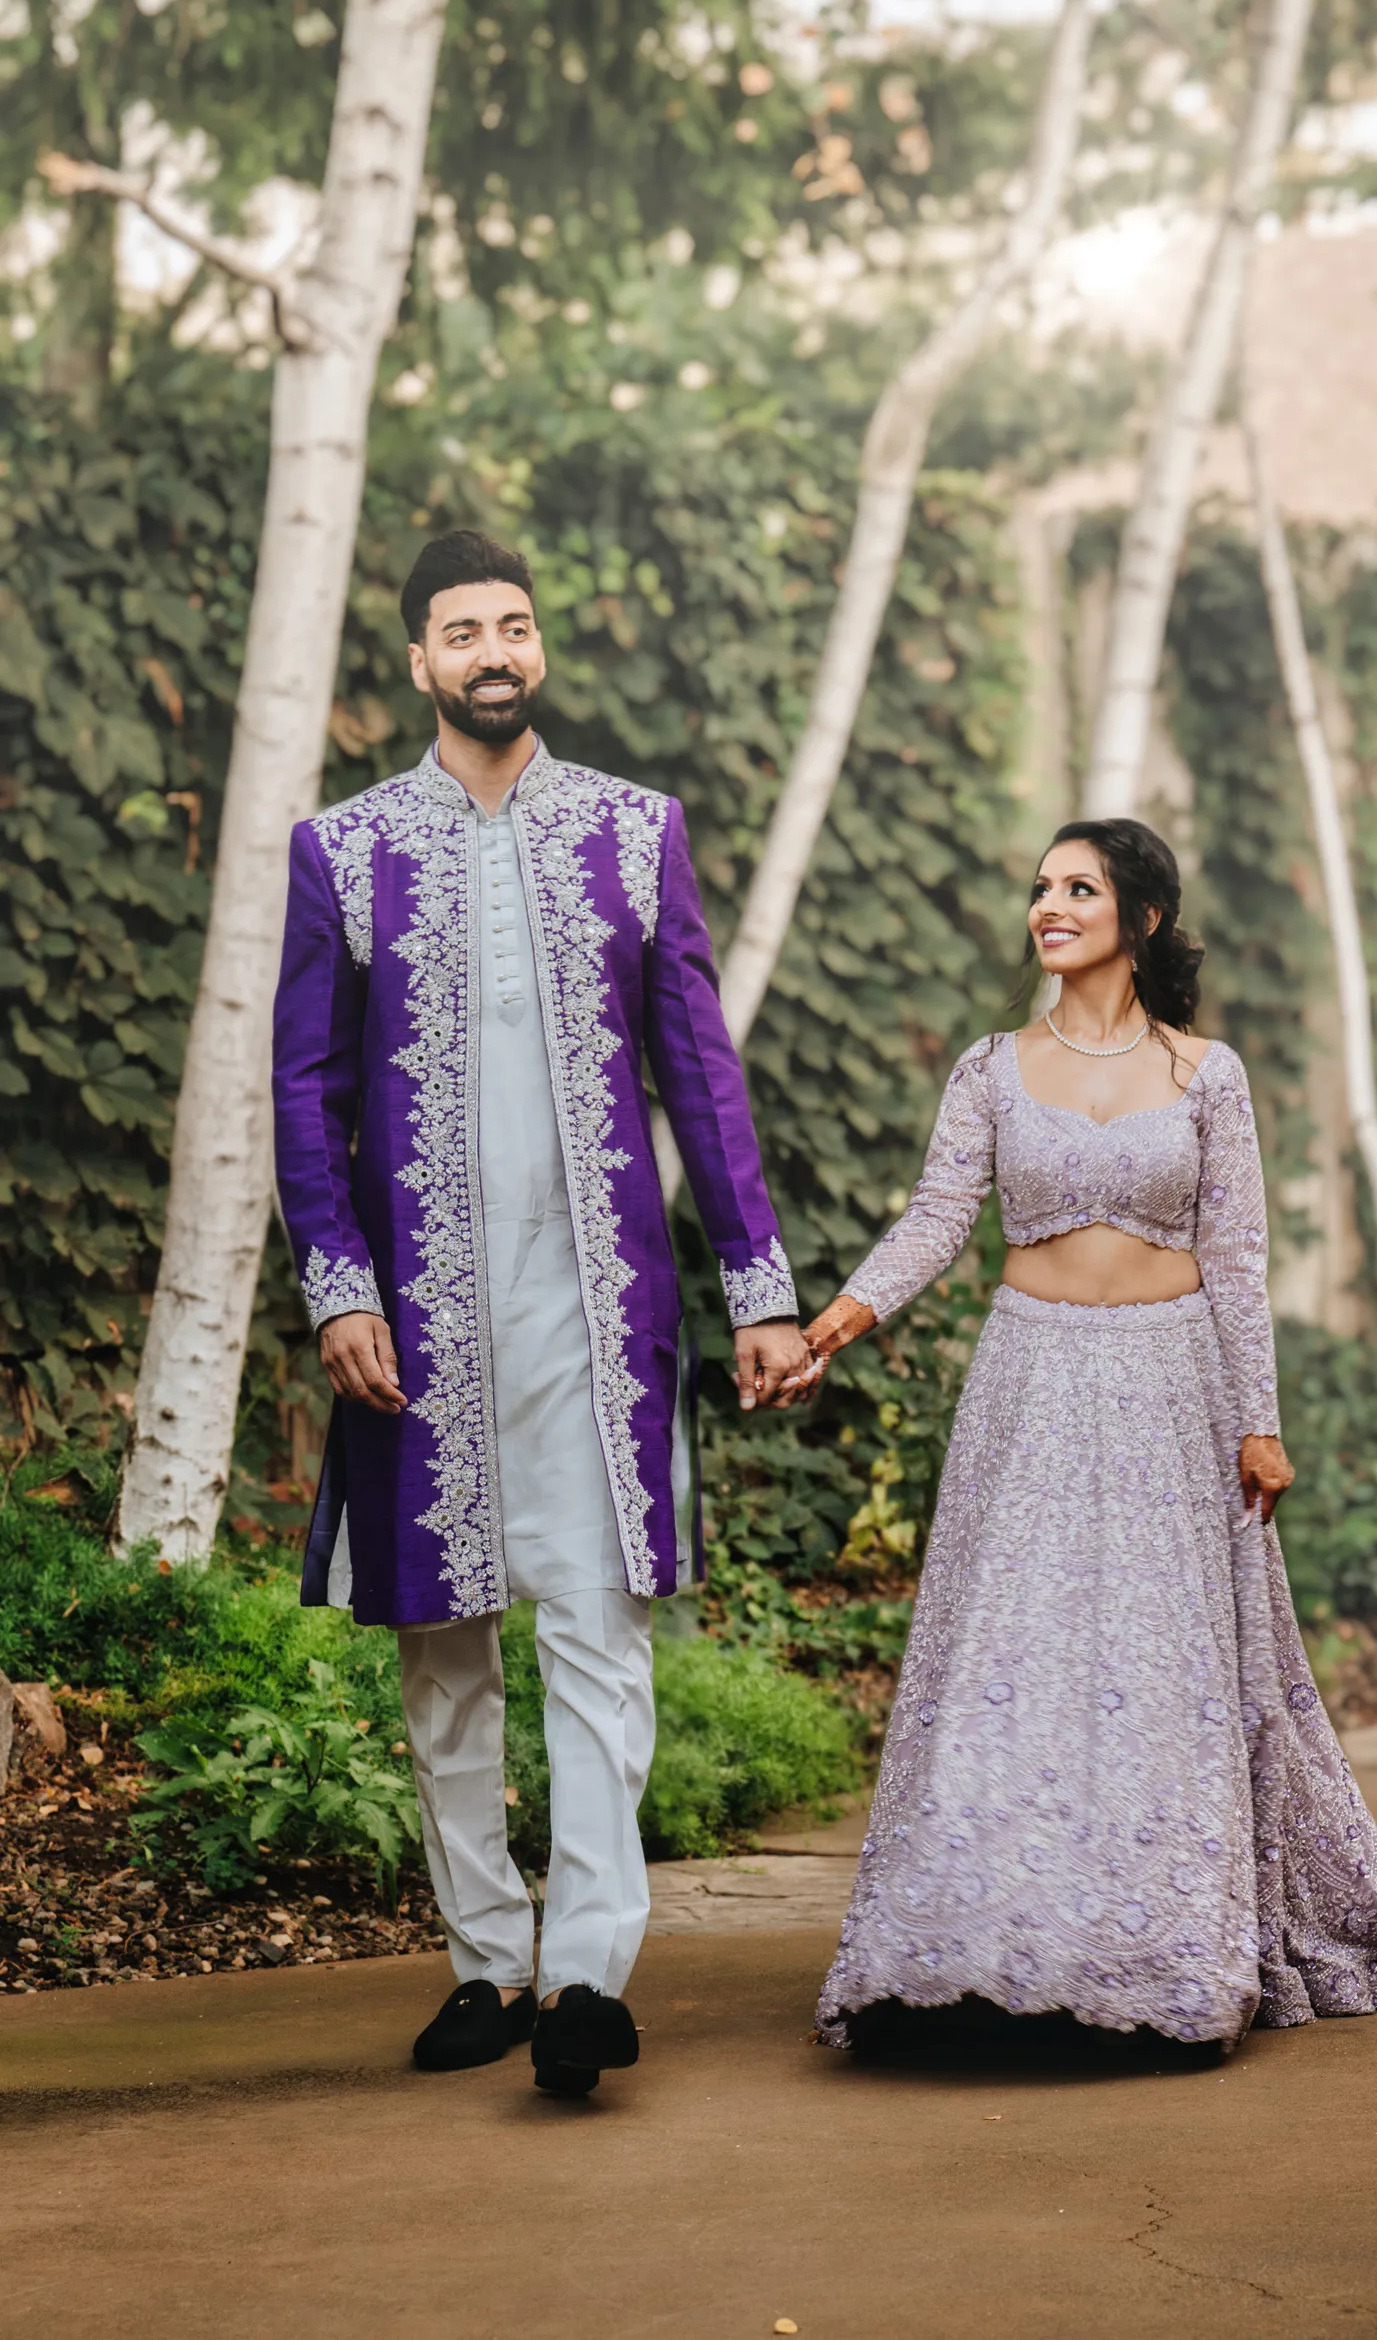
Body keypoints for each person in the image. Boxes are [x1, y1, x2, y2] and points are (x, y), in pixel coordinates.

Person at [272, 529, 810, 2095]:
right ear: (420, 660)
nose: (494, 651)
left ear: (539, 647)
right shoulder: (344, 849)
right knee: (442, 1644)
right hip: (418, 1311)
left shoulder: (635, 832)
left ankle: (583, 1972)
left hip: (596, 1298)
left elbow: (700, 1072)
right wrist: (337, 1283)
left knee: (595, 1620)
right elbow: (304, 1089)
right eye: (464, 631)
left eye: (514, 625)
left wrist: (758, 1286)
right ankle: (485, 1960)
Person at [798, 819, 1377, 2053]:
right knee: (1012, 1655)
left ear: (1140, 917)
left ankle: (1160, 1961)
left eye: (1078, 887)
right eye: (1040, 886)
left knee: (1161, 1667)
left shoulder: (1206, 1073)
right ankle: (969, 1958)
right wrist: (834, 1321)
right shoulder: (992, 1067)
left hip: (1170, 1384)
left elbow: (1237, 1256)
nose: (1047, 906)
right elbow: (937, 1217)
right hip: (1031, 1379)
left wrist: (1259, 1422)